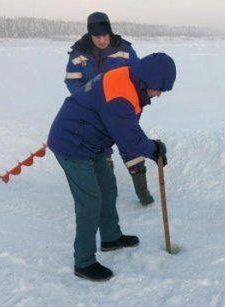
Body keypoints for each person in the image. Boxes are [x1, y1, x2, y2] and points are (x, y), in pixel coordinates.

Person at [48, 53, 176, 281]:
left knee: (108, 188)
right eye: (158, 89)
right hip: (71, 143)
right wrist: (153, 149)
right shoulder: (121, 94)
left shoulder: (131, 81)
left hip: (91, 141)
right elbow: (128, 139)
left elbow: (127, 130)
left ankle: (110, 237)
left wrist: (150, 148)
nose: (158, 95)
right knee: (90, 202)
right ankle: (84, 262)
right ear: (148, 80)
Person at [65, 11, 155, 206]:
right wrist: (88, 103)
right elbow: (72, 82)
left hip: (122, 110)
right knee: (102, 154)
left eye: (105, 35)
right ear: (90, 34)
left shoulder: (124, 48)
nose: (102, 40)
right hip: (95, 115)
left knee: (131, 147)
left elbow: (138, 76)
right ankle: (108, 194)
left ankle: (143, 192)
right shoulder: (78, 53)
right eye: (97, 36)